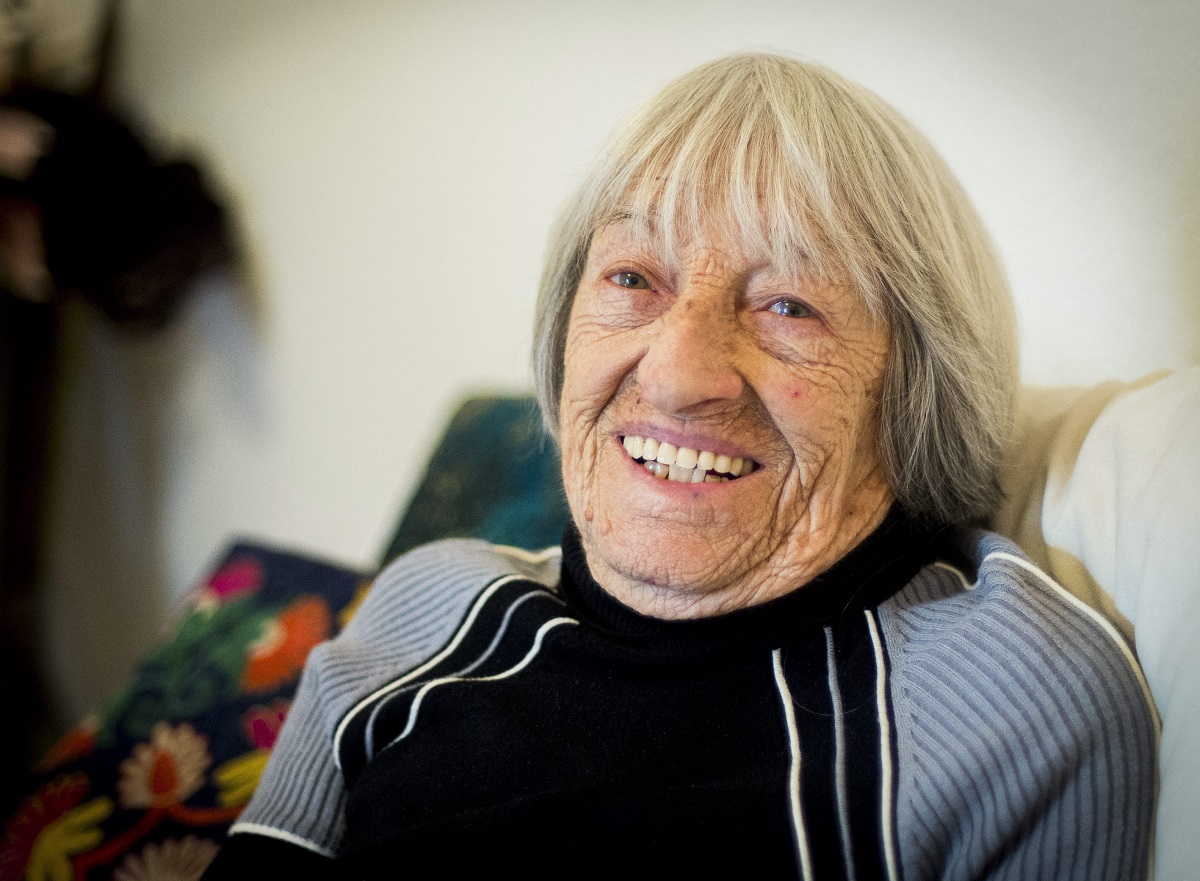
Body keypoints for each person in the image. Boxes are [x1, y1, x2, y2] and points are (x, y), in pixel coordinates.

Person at [204, 54, 1156, 879]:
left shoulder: (1015, 699)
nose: (676, 372)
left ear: (917, 386)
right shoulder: (427, 607)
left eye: (789, 305)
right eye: (632, 278)